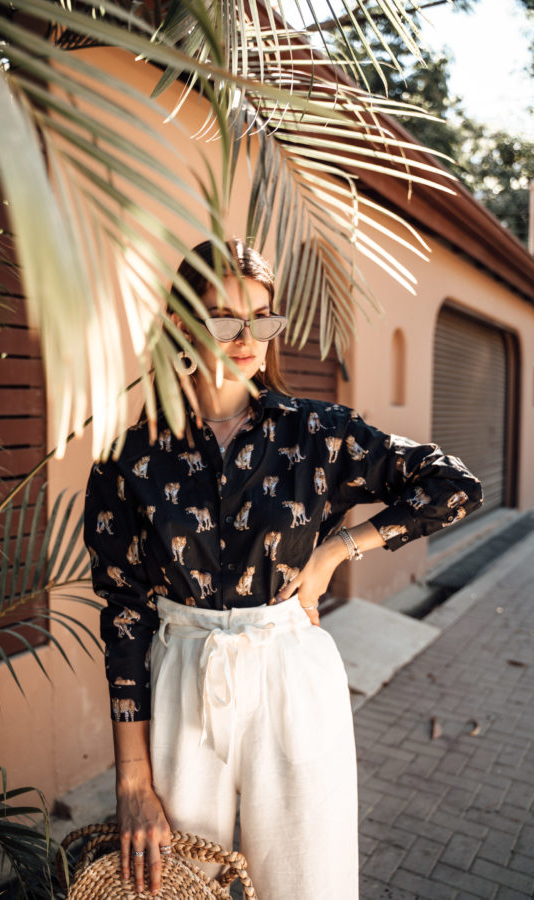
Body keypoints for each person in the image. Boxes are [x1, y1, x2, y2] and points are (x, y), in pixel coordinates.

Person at [84, 239, 483, 899]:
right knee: (174, 885)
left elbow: (451, 484)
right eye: (223, 319)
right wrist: (132, 782)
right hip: (184, 675)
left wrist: (340, 549)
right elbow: (123, 612)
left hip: (291, 675)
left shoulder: (316, 434)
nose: (247, 338)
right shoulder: (129, 458)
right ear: (182, 321)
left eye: (261, 318)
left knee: (308, 885)